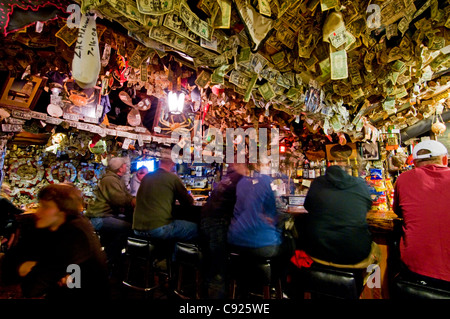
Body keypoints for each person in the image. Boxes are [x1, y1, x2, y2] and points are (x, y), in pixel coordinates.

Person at [0, 184, 110, 299]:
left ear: (63, 212)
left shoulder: (76, 232)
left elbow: (33, 286)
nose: (39, 211)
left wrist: (30, 267)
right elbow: (9, 263)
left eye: (46, 207)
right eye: (41, 205)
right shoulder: (47, 225)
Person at [393, 140, 450, 283]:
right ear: (444, 159)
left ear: (414, 163)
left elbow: (398, 212)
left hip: (415, 269)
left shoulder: (403, 179)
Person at [301, 164, 379, 266]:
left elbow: (307, 206)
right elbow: (368, 206)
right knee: (377, 252)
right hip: (355, 253)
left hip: (317, 251)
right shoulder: (360, 184)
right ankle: (370, 281)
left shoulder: (317, 183)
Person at [200, 162, 247, 299]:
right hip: (219, 223)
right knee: (219, 268)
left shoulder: (228, 177)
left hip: (206, 220)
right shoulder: (241, 180)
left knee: (211, 263)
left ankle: (202, 293)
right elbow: (245, 206)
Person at [133, 148, 197, 241]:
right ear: (173, 163)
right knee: (194, 229)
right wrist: (190, 198)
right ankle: (174, 255)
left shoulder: (147, 177)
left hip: (137, 228)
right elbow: (187, 203)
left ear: (159, 162)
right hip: (158, 228)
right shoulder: (173, 178)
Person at [85, 157, 135, 266]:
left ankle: (111, 260)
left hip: (104, 216)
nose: (126, 167)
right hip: (100, 218)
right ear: (120, 168)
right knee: (129, 228)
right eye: (125, 165)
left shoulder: (114, 179)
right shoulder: (110, 180)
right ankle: (106, 259)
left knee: (123, 227)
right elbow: (119, 200)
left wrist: (132, 200)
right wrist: (134, 201)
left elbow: (124, 197)